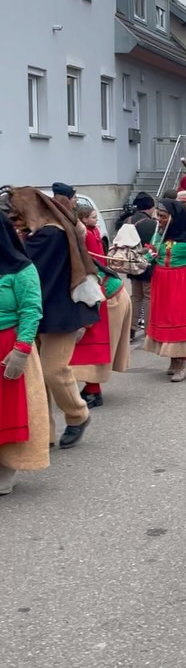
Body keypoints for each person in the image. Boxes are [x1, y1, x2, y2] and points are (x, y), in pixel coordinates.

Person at [8, 187, 101, 449]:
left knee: (53, 370)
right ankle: (43, 433)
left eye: (18, 216)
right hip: (38, 311)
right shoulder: (43, 232)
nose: (16, 221)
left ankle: (77, 415)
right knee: (36, 377)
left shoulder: (49, 235)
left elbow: (26, 267)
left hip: (59, 312)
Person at [0, 211, 49, 496]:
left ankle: (7, 467)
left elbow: (31, 310)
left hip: (9, 345)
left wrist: (21, 349)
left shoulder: (22, 270)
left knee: (8, 410)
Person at [144, 199, 186, 382]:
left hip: (183, 282)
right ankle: (173, 358)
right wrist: (143, 258)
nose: (160, 220)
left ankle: (182, 361)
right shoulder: (160, 233)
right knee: (168, 320)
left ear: (175, 216)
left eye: (163, 217)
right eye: (158, 216)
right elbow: (153, 253)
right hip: (162, 282)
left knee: (180, 320)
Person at [71, 264, 132, 408]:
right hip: (94, 295)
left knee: (93, 346)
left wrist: (86, 322)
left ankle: (93, 391)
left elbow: (91, 285)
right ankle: (91, 390)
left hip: (106, 296)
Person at [126, 193, 156, 340]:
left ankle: (131, 330)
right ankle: (148, 331)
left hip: (132, 263)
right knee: (148, 297)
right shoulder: (152, 224)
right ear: (150, 207)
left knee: (136, 296)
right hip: (147, 264)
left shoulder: (129, 220)